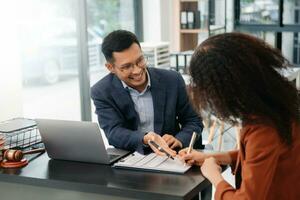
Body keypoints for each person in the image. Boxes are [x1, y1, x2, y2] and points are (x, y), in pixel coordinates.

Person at [179, 32, 300, 199]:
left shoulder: (263, 127)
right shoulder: (275, 104)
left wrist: (215, 177)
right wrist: (210, 157)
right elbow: (257, 156)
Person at [91, 30, 204, 156]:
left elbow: (194, 120)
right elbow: (113, 132)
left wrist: (179, 139)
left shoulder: (172, 80)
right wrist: (145, 138)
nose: (137, 70)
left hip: (173, 155)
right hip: (131, 157)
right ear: (110, 68)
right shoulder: (102, 91)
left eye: (140, 60)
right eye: (127, 67)